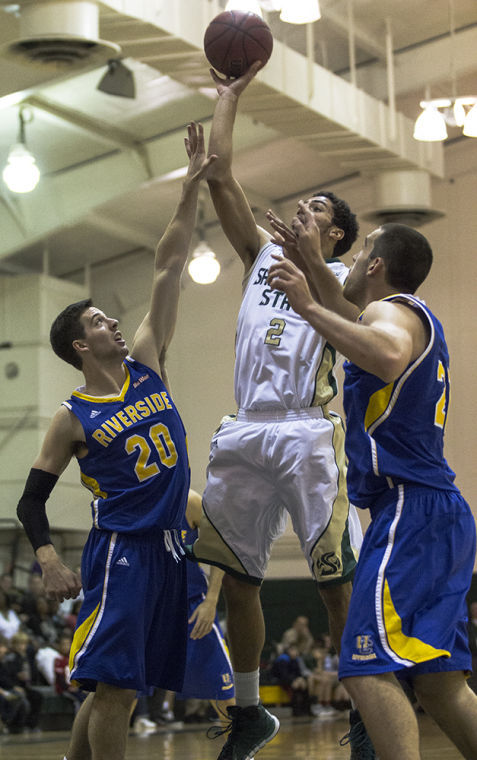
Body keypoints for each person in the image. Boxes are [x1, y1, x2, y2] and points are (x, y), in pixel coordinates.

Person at [15, 122, 216, 760]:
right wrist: (48, 560)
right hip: (122, 552)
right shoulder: (72, 416)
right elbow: (29, 502)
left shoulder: (148, 365)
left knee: (115, 688)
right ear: (81, 345)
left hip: (173, 548)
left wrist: (189, 192)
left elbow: (168, 265)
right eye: (100, 320)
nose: (113, 323)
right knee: (116, 691)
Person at [189, 62, 366, 760]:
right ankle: (248, 711)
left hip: (307, 431)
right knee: (239, 580)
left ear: (337, 236)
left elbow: (351, 319)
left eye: (320, 210)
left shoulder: (344, 275)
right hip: (246, 428)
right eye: (305, 204)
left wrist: (309, 266)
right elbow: (221, 177)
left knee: (331, 584)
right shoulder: (261, 256)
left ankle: (367, 703)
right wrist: (228, 96)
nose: (304, 210)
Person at [267, 219, 477, 759]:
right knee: (439, 683)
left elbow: (383, 355)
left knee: (363, 667)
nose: (352, 262)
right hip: (433, 510)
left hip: (410, 508)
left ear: (376, 266)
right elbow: (345, 310)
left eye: (359, 253)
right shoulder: (396, 313)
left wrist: (307, 306)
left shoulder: (393, 312)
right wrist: (311, 261)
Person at [177, 489, 235, 723]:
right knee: (120, 692)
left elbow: (220, 545)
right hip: (150, 608)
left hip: (192, 606)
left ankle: (240, 752)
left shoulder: (189, 501)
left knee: (223, 690)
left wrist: (211, 601)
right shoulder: (135, 497)